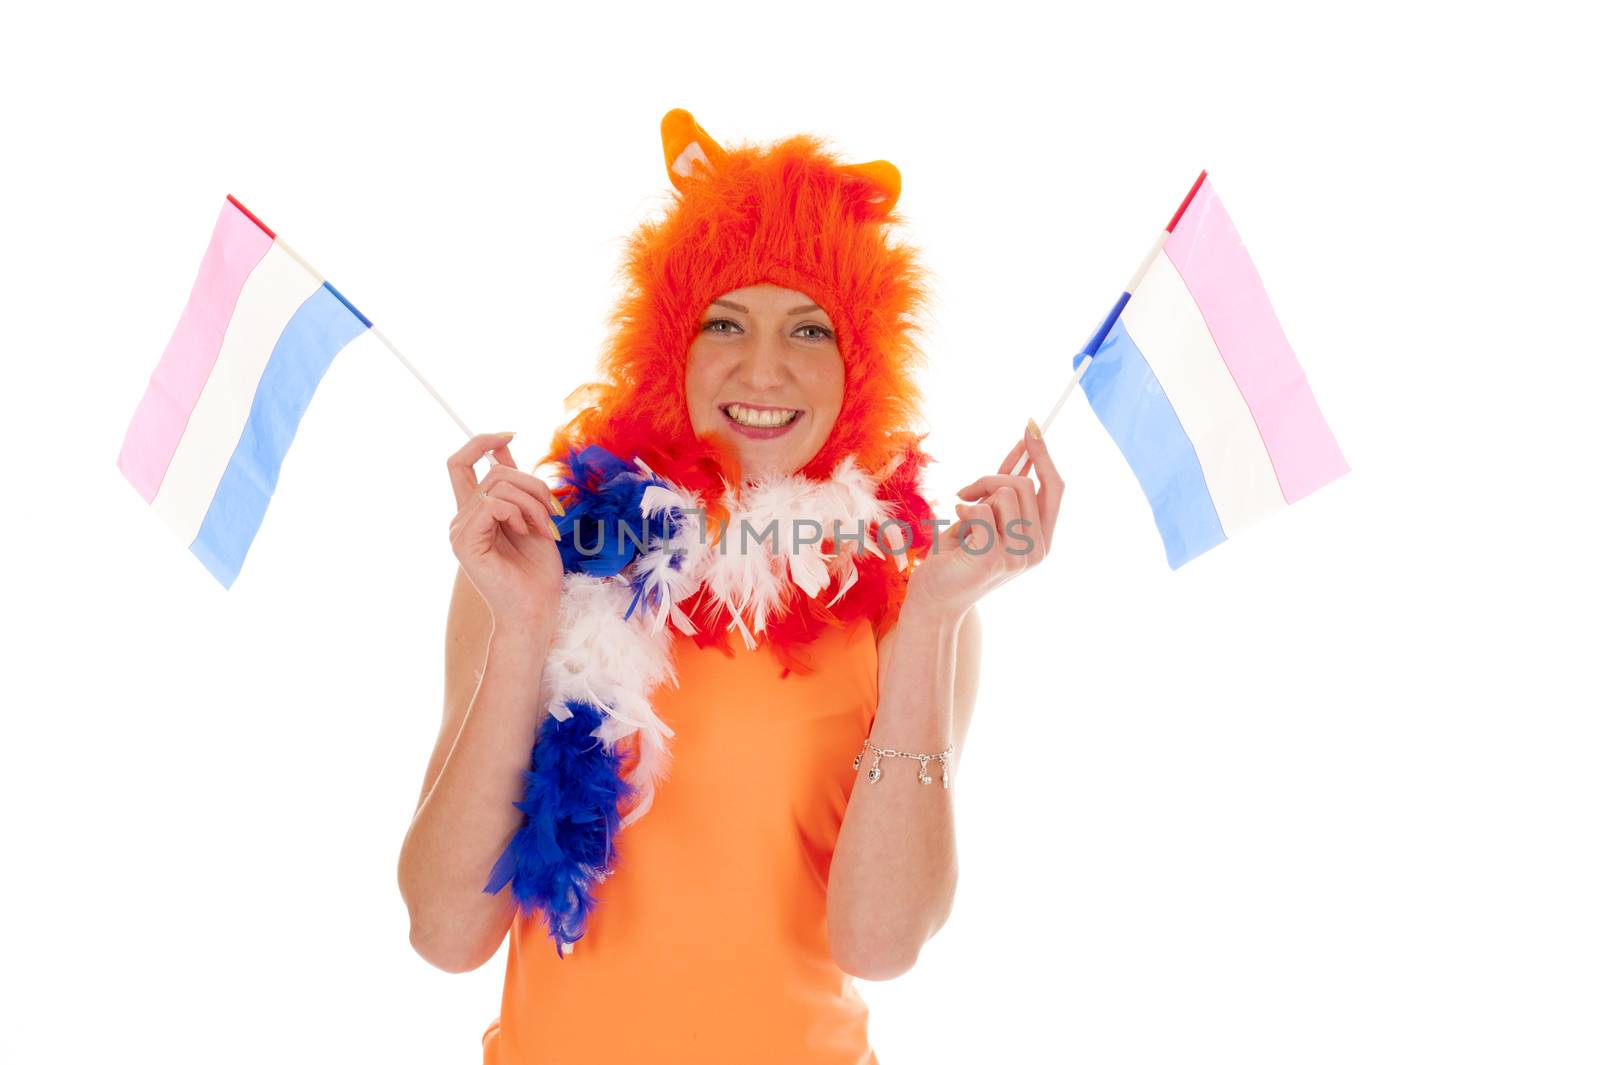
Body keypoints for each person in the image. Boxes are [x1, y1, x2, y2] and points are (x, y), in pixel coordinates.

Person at [397, 109, 1064, 1065]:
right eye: (723, 322)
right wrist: (526, 625)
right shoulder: (542, 561)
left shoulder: (903, 601)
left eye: (809, 328)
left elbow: (880, 943)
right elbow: (443, 931)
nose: (764, 368)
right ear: (669, 343)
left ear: (858, 366)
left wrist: (933, 621)